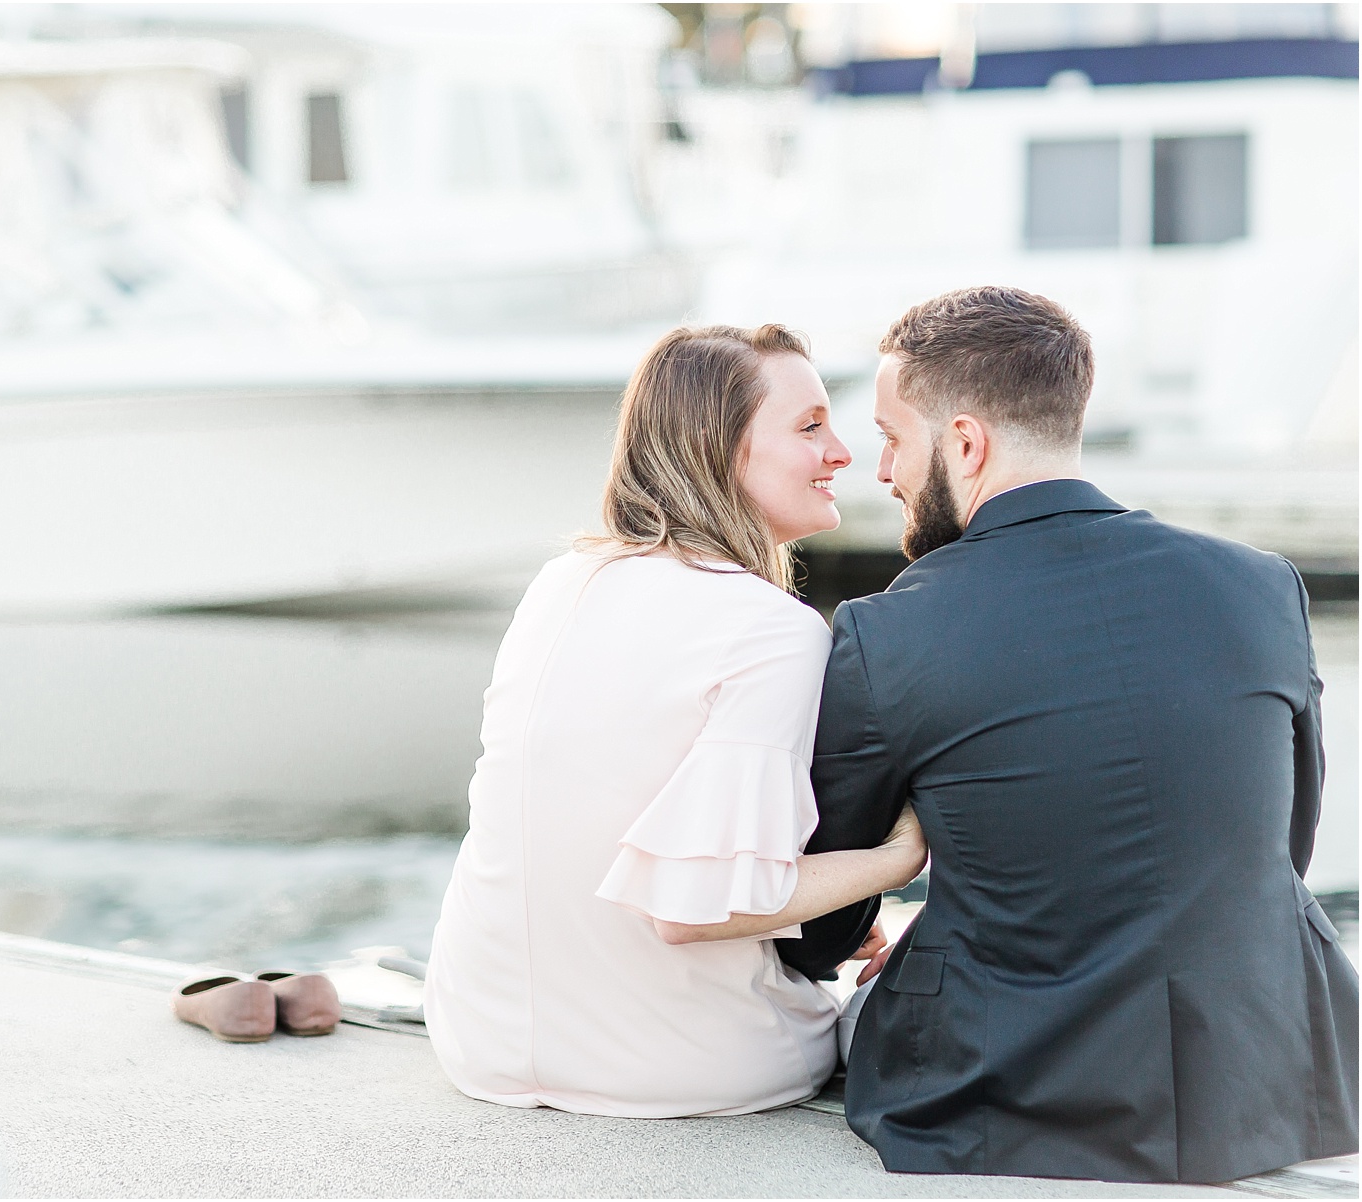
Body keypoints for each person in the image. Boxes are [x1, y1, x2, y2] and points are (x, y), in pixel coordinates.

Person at [775, 286, 1359, 1183]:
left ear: (964, 443)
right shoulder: (1260, 586)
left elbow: (817, 927)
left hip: (996, 1084)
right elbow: (1280, 843)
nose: (883, 471)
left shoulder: (889, 631)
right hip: (1246, 1079)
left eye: (894, 439)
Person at [424, 324, 926, 1118]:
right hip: (679, 1063)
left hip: (477, 1037)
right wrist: (895, 861)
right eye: (809, 427)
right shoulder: (772, 628)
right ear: (718, 448)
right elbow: (695, 908)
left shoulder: (564, 581)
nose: (841, 453)